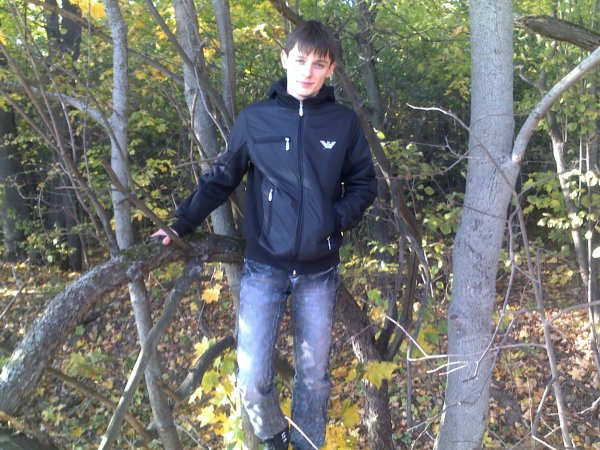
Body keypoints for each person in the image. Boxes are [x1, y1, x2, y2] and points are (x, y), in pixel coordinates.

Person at [152, 20, 377, 450]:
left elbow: (365, 185)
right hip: (264, 267)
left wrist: (332, 220)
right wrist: (181, 223)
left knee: (314, 378)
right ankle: (273, 437)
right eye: (300, 61)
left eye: (319, 64)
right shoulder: (256, 120)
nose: (308, 71)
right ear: (284, 59)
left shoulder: (343, 122)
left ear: (330, 70)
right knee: (252, 376)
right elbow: (221, 178)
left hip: (319, 271)